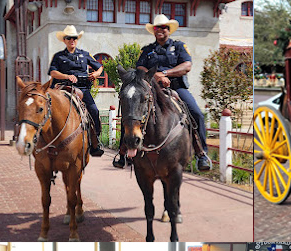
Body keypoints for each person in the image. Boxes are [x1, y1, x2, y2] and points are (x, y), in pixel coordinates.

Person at [113, 14, 212, 171]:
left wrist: (166, 74)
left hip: (176, 87)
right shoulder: (147, 50)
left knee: (196, 114)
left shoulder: (179, 47)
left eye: (163, 28)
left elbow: (186, 65)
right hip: (152, 88)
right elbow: (140, 68)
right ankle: (123, 152)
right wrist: (155, 77)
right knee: (132, 110)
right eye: (157, 28)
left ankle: (201, 154)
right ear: (153, 31)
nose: (160, 30)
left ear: (168, 30)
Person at [48, 25, 104, 157]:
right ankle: (44, 139)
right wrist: (66, 76)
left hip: (83, 89)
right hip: (64, 87)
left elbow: (99, 66)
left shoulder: (85, 54)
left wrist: (96, 74)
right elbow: (53, 72)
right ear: (64, 40)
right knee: (47, 110)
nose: (71, 40)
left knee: (94, 111)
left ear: (77, 39)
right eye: (68, 38)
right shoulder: (58, 56)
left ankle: (95, 142)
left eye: (74, 38)